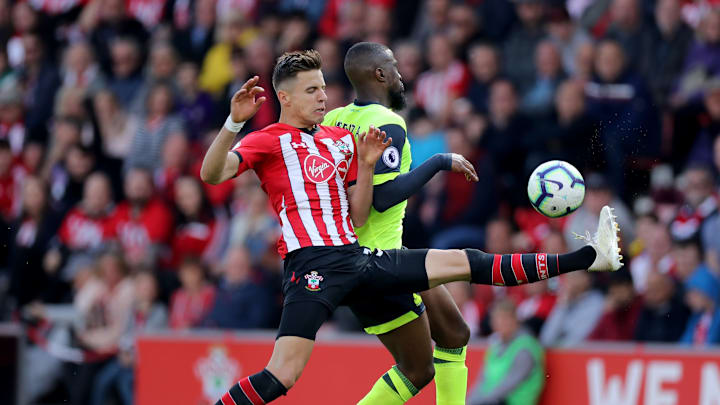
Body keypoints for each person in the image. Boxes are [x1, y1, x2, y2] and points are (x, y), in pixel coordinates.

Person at [200, 50, 622, 405]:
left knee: (465, 265)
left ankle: (591, 256)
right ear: (285, 98)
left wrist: (365, 167)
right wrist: (234, 123)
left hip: (359, 257)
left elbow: (360, 214)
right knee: (283, 375)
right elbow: (213, 174)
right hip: (312, 266)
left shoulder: (337, 139)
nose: (323, 97)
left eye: (324, 88)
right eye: (312, 91)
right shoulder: (268, 139)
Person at [322, 41, 478, 405]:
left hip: (369, 250)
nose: (400, 74)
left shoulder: (334, 118)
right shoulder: (387, 123)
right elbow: (383, 195)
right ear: (379, 74)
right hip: (378, 260)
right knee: (417, 369)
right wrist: (438, 162)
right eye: (393, 66)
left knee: (454, 333)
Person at [469, 299, 545, 405]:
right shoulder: (496, 345)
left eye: (505, 318)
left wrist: (479, 402)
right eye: (496, 319)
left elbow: (507, 385)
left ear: (515, 319)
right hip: (489, 401)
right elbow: (481, 381)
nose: (500, 323)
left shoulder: (525, 347)